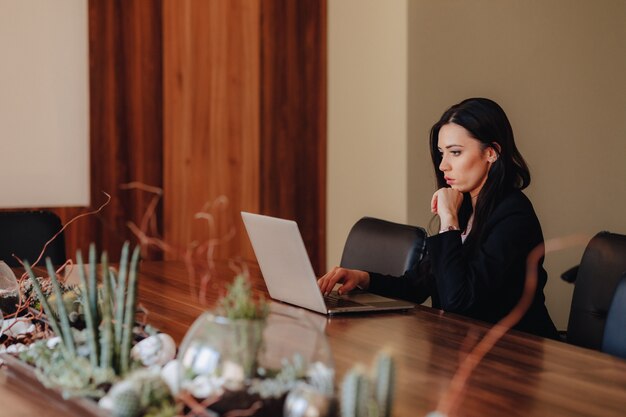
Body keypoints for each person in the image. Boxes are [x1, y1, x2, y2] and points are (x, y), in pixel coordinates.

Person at [318, 97, 558, 339]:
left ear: (491, 153)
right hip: (464, 347)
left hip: (514, 354)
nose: (443, 165)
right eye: (442, 153)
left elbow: (460, 302)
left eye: (455, 152)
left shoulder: (514, 215)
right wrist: (362, 277)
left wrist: (449, 222)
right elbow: (415, 286)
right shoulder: (465, 206)